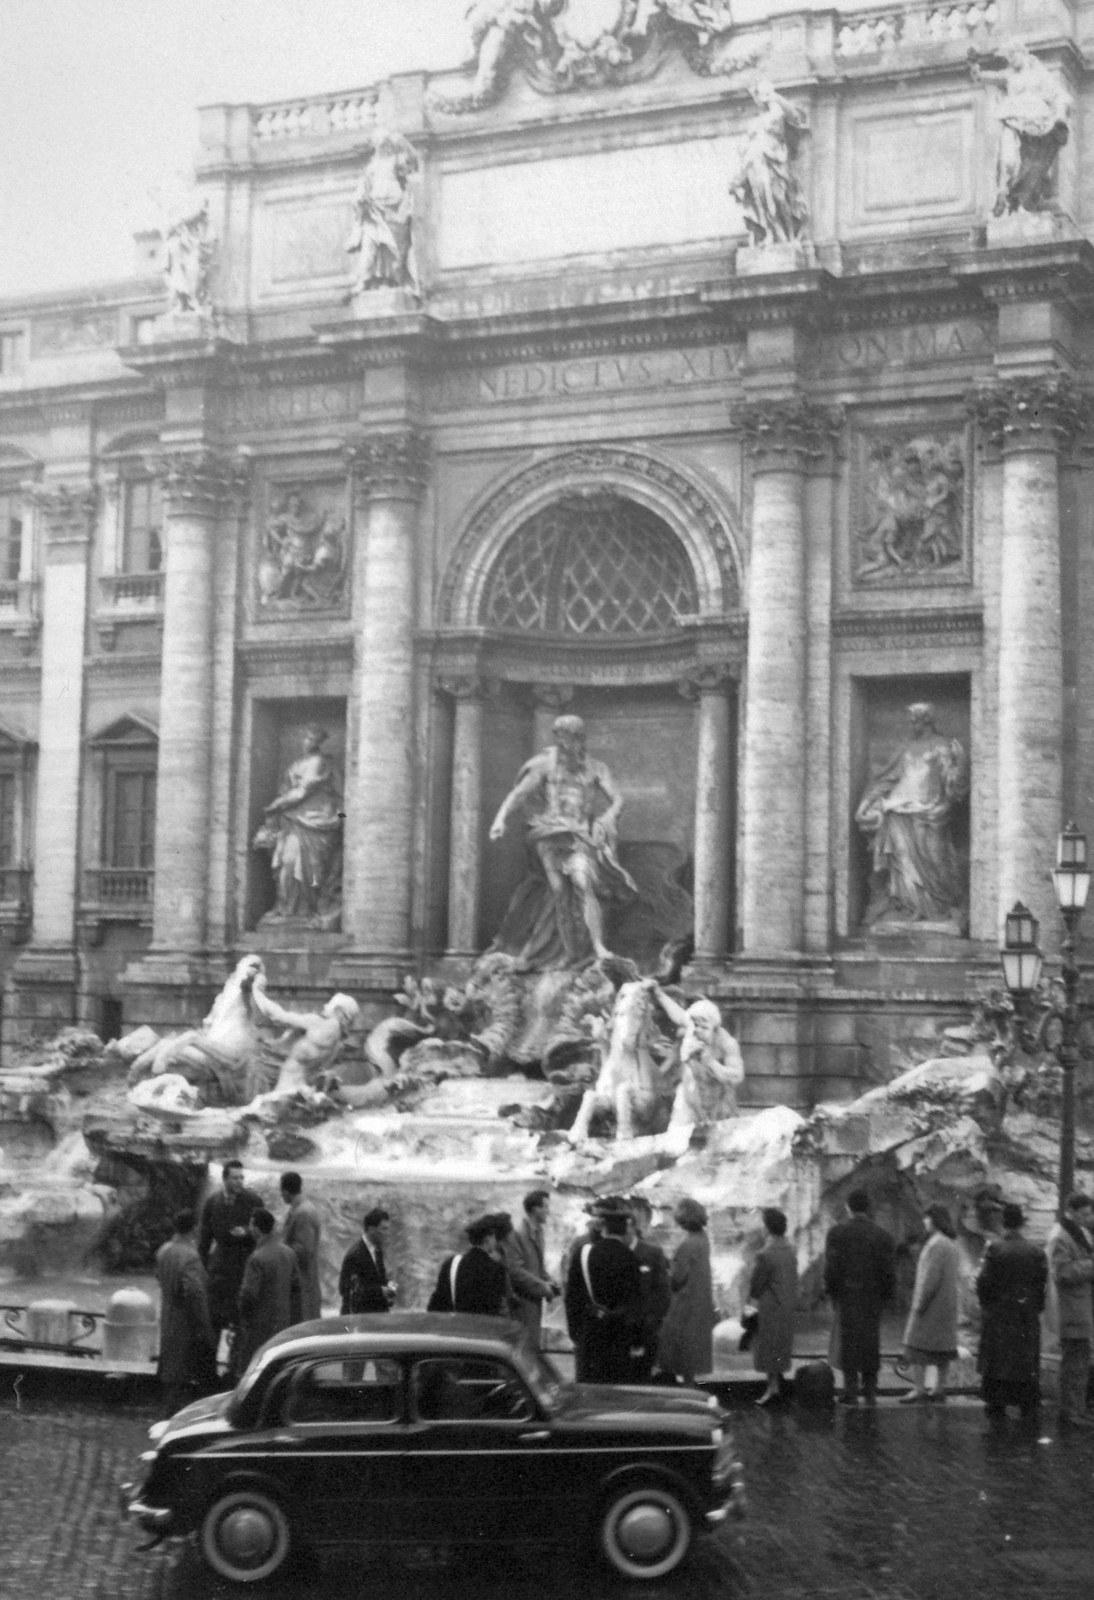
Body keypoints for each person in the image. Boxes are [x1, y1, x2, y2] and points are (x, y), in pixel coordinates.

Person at [488, 713, 637, 970]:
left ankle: (598, 946)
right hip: (549, 833)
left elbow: (618, 799)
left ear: (580, 740)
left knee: (582, 881)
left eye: (568, 739)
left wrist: (605, 820)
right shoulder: (545, 765)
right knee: (558, 891)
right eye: (559, 738)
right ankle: (569, 951)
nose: (563, 744)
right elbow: (520, 794)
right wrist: (499, 819)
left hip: (578, 835)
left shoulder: (596, 768)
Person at [854, 702, 969, 927]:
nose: (910, 725)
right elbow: (887, 779)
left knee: (936, 859)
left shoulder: (943, 745)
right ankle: (906, 907)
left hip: (931, 811)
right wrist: (865, 805)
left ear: (925, 720)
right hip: (897, 810)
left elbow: (953, 783)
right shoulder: (906, 747)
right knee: (901, 860)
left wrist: (961, 763)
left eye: (913, 720)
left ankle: (940, 909)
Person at [254, 724, 343, 928]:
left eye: (312, 739)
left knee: (306, 866)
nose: (307, 742)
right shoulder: (295, 765)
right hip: (293, 821)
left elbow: (304, 791)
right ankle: (288, 910)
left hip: (317, 819)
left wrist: (277, 806)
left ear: (318, 742)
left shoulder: (319, 762)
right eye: (305, 738)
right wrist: (277, 811)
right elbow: (286, 789)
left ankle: (305, 912)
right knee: (288, 863)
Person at [969, 43, 1071, 216]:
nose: (1011, 59)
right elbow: (984, 76)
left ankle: (1021, 200)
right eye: (1009, 56)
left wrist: (1060, 117)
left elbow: (1060, 96)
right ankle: (1005, 193)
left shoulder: (1039, 75)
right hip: (1013, 118)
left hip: (1037, 122)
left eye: (1014, 54)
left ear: (1023, 53)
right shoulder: (1009, 76)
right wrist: (973, 65)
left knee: (1033, 161)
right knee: (1008, 161)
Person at [823, 1189, 896, 1407]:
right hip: (873, 1297)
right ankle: (871, 1390)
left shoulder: (837, 1233)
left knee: (849, 1342)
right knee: (871, 1341)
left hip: (847, 1295)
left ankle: (850, 1390)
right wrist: (886, 1297)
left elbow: (832, 1268)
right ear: (868, 1208)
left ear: (848, 1207)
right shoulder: (883, 1236)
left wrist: (831, 1293)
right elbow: (888, 1271)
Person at [976, 1202, 1047, 1423]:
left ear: (1003, 1222)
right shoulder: (1036, 1251)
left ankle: (997, 1403)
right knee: (1025, 1361)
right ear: (1022, 1223)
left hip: (1000, 1314)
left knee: (999, 1361)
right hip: (1026, 1315)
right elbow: (1041, 1284)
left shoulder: (995, 1249)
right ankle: (1027, 1403)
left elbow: (983, 1283)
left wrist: (988, 1306)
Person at [566, 1204, 644, 1384]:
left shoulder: (584, 1254)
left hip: (590, 1334)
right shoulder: (631, 1258)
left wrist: (576, 1333)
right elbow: (637, 1304)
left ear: (603, 1228)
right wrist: (637, 1340)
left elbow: (572, 1298)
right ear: (625, 1230)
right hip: (619, 1336)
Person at [728, 80, 809, 246]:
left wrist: (774, 96)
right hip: (755, 164)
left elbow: (794, 116)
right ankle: (771, 234)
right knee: (761, 200)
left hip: (774, 163)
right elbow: (743, 147)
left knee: (777, 198)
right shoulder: (756, 123)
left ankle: (786, 235)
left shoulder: (777, 114)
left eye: (759, 94)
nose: (758, 98)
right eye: (756, 95)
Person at [155, 1208, 218, 1417]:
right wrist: (204, 1325)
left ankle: (166, 1411)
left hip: (167, 1315)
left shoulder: (164, 1250)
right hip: (185, 1321)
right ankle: (174, 1419)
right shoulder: (190, 1256)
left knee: (169, 1368)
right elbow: (194, 1293)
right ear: (194, 1229)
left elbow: (160, 1278)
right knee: (182, 1372)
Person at [198, 1159, 265, 1354]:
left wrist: (247, 1231)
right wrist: (202, 1269)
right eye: (235, 1178)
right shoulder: (212, 1202)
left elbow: (264, 1231)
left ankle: (235, 1369)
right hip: (219, 1270)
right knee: (213, 1320)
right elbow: (204, 1239)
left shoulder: (253, 1201)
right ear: (224, 1179)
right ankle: (209, 1370)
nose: (239, 1182)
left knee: (241, 1322)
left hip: (243, 1267)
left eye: (242, 1178)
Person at [900, 1203, 961, 1404]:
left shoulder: (935, 1245)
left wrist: (919, 1304)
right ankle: (939, 1388)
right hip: (947, 1305)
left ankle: (919, 1389)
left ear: (935, 1220)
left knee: (917, 1347)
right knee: (943, 1350)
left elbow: (929, 1280)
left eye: (927, 1218)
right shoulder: (951, 1244)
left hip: (931, 1306)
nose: (925, 1222)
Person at [233, 1208, 303, 1379]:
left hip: (259, 1325)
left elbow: (249, 1294)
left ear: (256, 1229)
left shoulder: (256, 1258)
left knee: (252, 1372)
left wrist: (242, 1319)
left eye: (251, 1224)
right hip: (283, 1323)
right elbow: (296, 1288)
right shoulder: (289, 1253)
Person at [654, 1198, 716, 1386]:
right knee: (692, 1350)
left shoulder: (687, 1245)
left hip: (685, 1303)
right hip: (700, 1300)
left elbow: (677, 1279)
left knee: (677, 1348)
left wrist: (666, 1266)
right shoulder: (703, 1238)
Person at [1047, 1192, 1094, 1428]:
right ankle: (1071, 1412)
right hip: (1071, 1308)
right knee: (1074, 1362)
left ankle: (1077, 1409)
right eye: (1085, 1214)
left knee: (1080, 1360)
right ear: (1072, 1212)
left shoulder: (1076, 1232)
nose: (1089, 1218)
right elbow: (1062, 1272)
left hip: (1079, 1307)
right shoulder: (1062, 1236)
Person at [748, 1207, 798, 1406]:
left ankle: (772, 1388)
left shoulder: (765, 1253)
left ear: (767, 1228)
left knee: (768, 1347)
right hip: (786, 1304)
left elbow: (756, 1285)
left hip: (770, 1307)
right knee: (780, 1346)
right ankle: (778, 1385)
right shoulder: (790, 1249)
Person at [505, 1190, 560, 1347]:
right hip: (522, 1304)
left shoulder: (539, 1232)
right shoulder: (517, 1233)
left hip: (534, 1302)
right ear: (535, 1209)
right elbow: (516, 1271)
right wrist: (543, 1287)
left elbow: (537, 1266)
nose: (548, 1212)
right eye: (545, 1207)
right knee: (524, 1347)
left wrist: (549, 1280)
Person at [627, 1196, 670, 1383]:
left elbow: (662, 1293)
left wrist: (651, 1322)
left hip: (645, 1329)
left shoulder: (653, 1253)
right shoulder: (609, 1251)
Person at [428, 1215, 509, 1315]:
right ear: (489, 1238)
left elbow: (436, 1305)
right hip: (482, 1328)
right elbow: (494, 1309)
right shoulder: (495, 1269)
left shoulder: (451, 1263)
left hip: (454, 1328)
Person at [280, 1171, 323, 1322]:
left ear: (285, 1192)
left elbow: (304, 1250)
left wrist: (280, 1251)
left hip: (303, 1282)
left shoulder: (303, 1212)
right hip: (300, 1280)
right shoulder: (301, 1209)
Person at [339, 1207, 397, 1314]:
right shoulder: (355, 1255)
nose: (387, 1233)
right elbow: (346, 1289)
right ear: (371, 1229)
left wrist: (389, 1286)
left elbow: (378, 1280)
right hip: (360, 1316)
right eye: (384, 1229)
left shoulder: (377, 1250)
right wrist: (380, 1291)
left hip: (377, 1315)